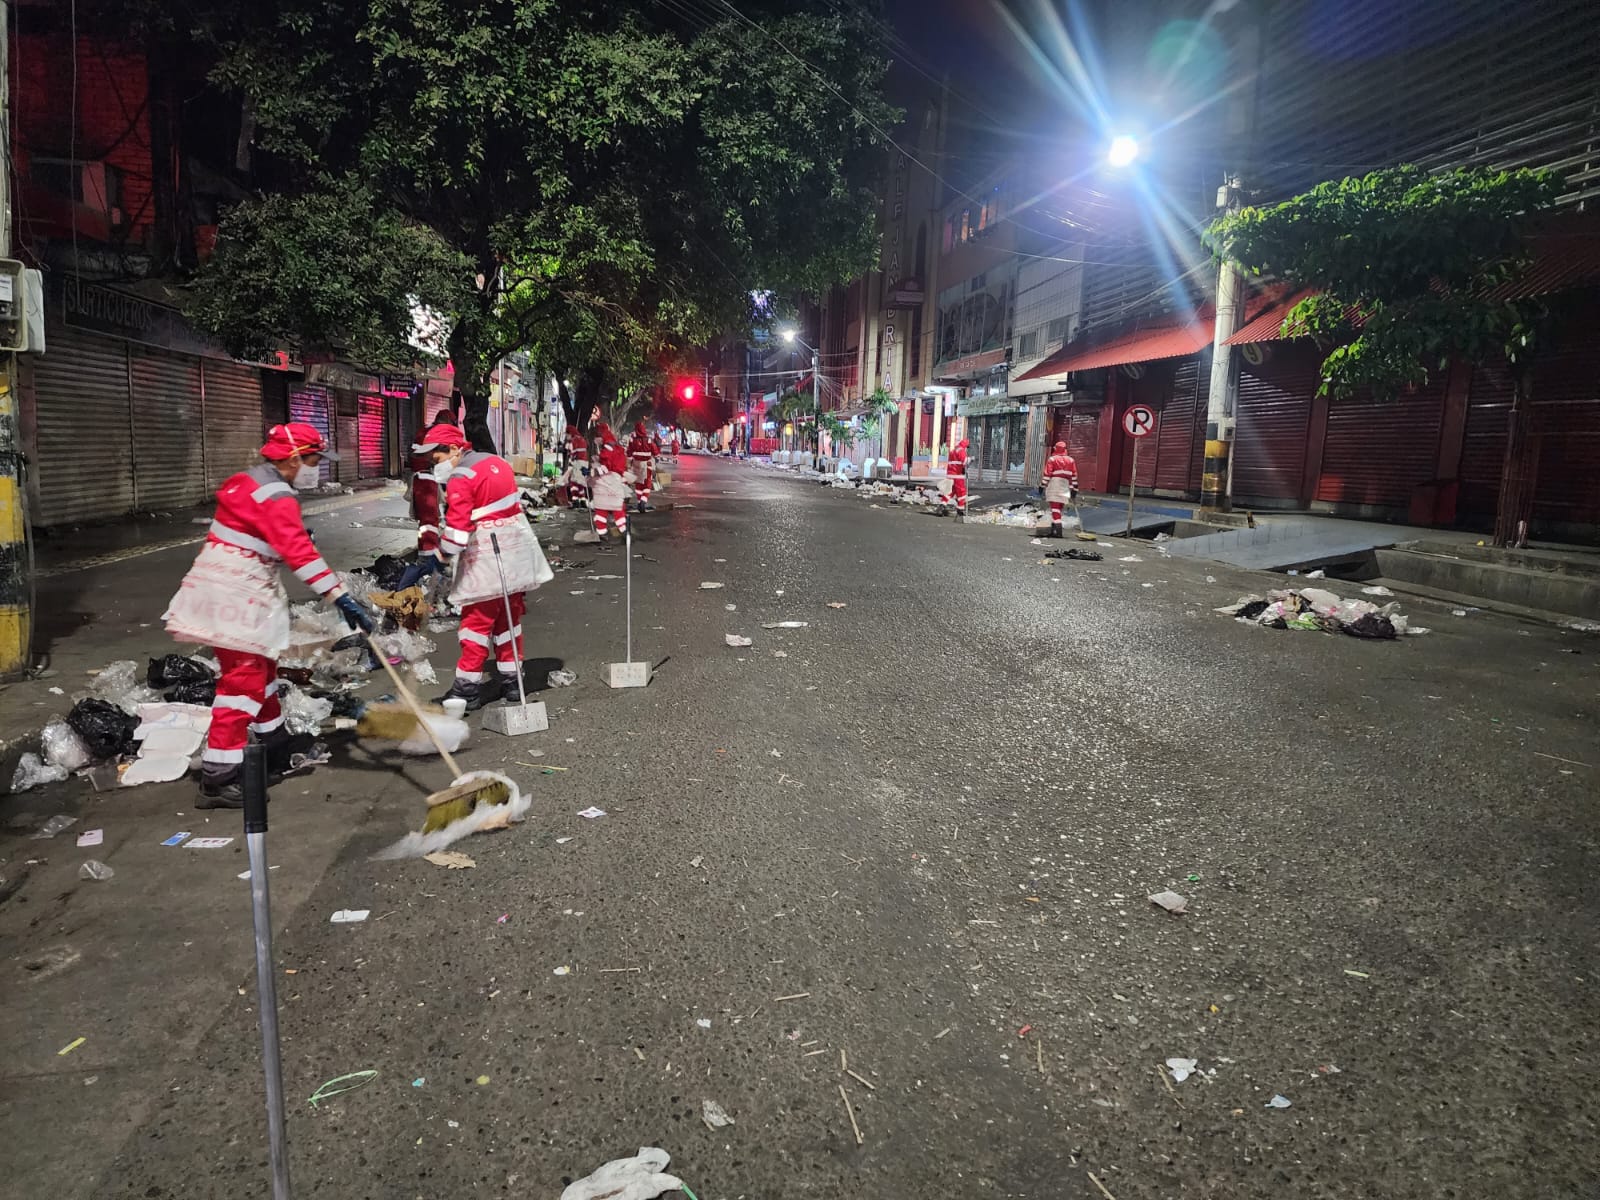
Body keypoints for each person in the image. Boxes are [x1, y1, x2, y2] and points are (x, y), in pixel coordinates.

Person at [163, 423, 373, 807]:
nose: (316, 467)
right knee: (242, 684)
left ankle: (274, 742)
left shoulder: (249, 481)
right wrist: (342, 598)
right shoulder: (277, 495)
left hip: (233, 585)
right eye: (313, 459)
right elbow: (300, 554)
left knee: (261, 670)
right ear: (293, 458)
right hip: (236, 594)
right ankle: (218, 777)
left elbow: (272, 537)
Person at [428, 427, 554, 710]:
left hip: (485, 560)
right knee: (507, 622)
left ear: (454, 449)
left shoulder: (462, 476)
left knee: (474, 627)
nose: (436, 467)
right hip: (517, 556)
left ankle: (466, 690)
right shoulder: (497, 463)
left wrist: (440, 556)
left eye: (437, 459)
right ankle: (513, 682)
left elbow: (458, 534)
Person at [393, 411, 464, 592]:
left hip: (426, 479)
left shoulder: (427, 433)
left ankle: (427, 558)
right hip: (425, 479)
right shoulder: (434, 436)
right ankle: (426, 558)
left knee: (429, 521)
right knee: (429, 521)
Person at [589, 422, 631, 539]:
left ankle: (602, 533)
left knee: (601, 509)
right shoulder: (616, 447)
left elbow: (605, 466)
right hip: (616, 481)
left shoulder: (607, 448)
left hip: (606, 482)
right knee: (617, 508)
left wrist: (592, 472)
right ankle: (625, 531)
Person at [1040, 441, 1080, 538]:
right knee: (1059, 508)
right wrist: (1075, 489)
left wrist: (1042, 485)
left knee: (1055, 507)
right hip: (1065, 484)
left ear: (1056, 448)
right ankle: (1054, 530)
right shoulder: (1071, 460)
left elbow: (1047, 474)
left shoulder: (1052, 459)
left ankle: (1058, 530)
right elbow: (1074, 475)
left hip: (1055, 483)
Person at [627, 421, 656, 512]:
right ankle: (643, 501)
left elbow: (629, 453)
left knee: (638, 484)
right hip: (646, 464)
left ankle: (639, 501)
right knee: (647, 484)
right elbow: (655, 451)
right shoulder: (649, 440)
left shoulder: (632, 440)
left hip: (636, 464)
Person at [942, 437, 970, 522]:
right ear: (966, 445)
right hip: (958, 475)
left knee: (950, 491)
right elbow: (965, 461)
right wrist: (971, 459)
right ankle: (960, 511)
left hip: (950, 474)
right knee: (961, 493)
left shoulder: (953, 450)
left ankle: (942, 505)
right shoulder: (961, 451)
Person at [563, 424, 590, 508]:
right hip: (584, 463)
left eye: (567, 434)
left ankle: (575, 501)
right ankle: (583, 500)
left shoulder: (574, 441)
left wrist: (569, 452)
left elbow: (573, 454)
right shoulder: (582, 439)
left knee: (573, 482)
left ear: (570, 433)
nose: (566, 436)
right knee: (581, 482)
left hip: (578, 463)